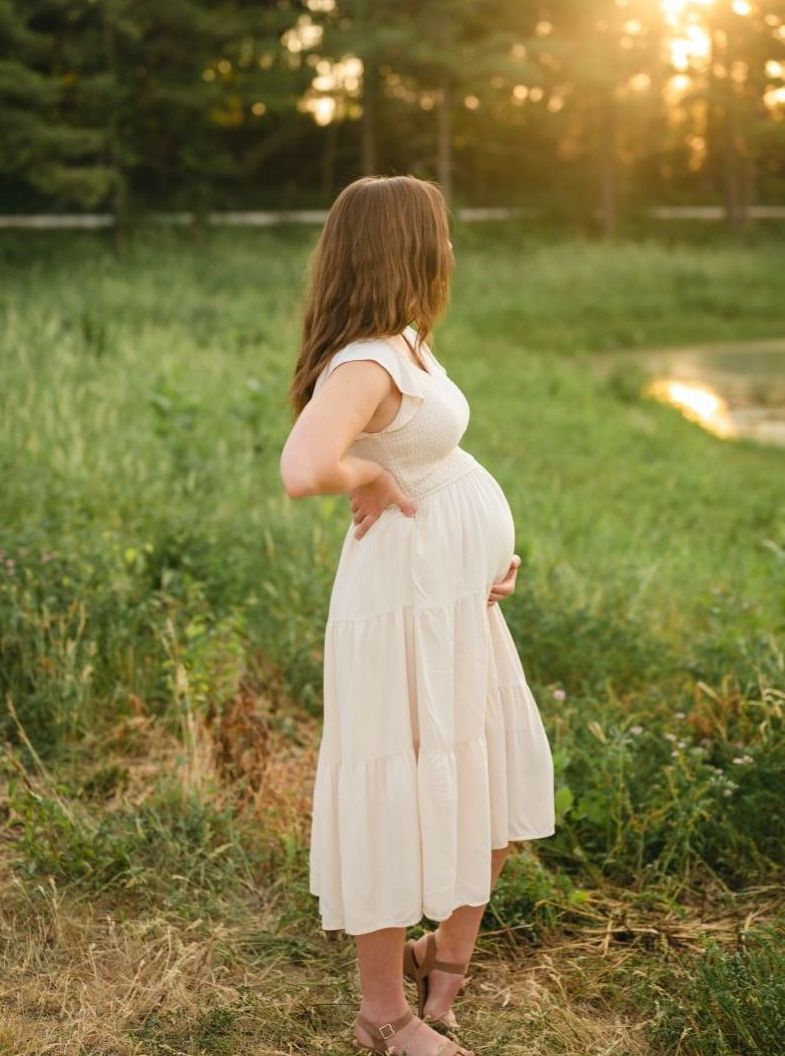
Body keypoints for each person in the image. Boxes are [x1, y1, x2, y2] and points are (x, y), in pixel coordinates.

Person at [280, 175, 555, 1056]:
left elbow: (437, 462)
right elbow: (304, 465)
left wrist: (488, 554)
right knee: (396, 783)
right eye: (438, 234)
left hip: (450, 602)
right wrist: (369, 474)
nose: (450, 251)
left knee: (492, 773)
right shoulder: (364, 360)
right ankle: (383, 1014)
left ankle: (444, 951)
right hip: (399, 609)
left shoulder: (407, 340)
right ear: (402, 248)